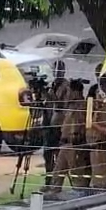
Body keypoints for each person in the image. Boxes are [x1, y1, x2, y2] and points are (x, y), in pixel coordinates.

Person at [49, 79, 91, 193]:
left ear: (76, 92)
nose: (68, 94)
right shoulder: (69, 106)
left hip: (74, 144)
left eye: (70, 91)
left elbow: (81, 125)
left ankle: (81, 192)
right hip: (65, 143)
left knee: (77, 174)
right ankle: (54, 191)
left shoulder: (83, 106)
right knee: (58, 171)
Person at [86, 67, 106, 189]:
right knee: (96, 175)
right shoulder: (94, 91)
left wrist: (95, 125)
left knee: (103, 176)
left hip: (104, 143)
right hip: (94, 142)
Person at [43, 60, 70, 188]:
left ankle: (56, 183)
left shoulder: (66, 86)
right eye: (55, 70)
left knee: (59, 156)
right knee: (47, 154)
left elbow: (60, 105)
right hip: (49, 124)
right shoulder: (52, 84)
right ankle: (48, 180)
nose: (57, 72)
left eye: (59, 70)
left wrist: (48, 96)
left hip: (60, 124)